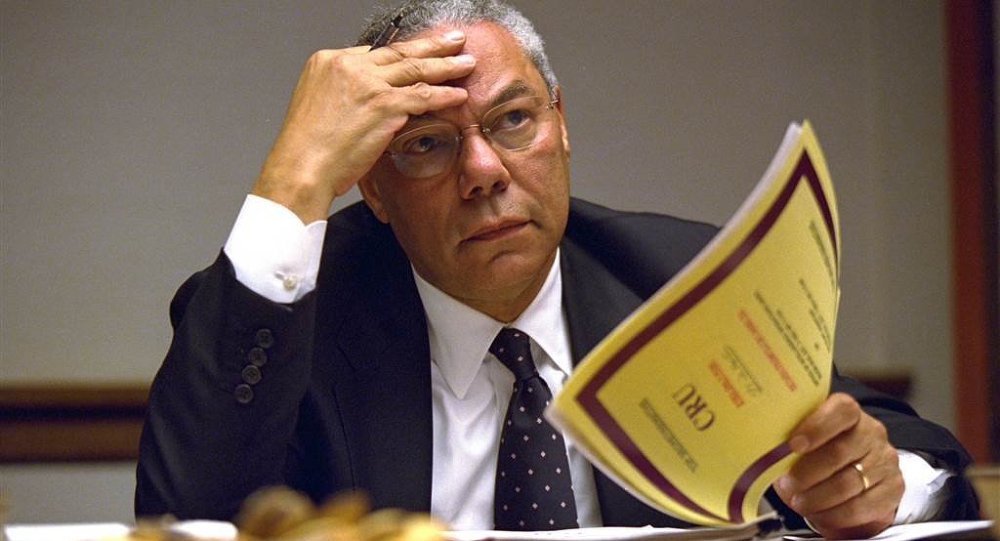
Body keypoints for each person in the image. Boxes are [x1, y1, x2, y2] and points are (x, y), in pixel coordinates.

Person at [135, 1, 980, 538]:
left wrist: (877, 483)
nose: (483, 171)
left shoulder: (674, 278)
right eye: (427, 144)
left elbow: (922, 457)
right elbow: (181, 512)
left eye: (512, 120)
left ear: (561, 125)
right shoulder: (298, 317)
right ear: (375, 189)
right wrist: (294, 179)